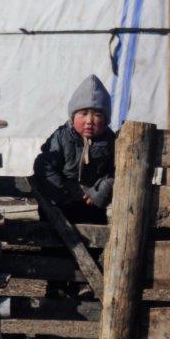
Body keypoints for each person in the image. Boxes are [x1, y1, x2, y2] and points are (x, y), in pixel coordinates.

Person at [34, 74, 116, 225]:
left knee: (93, 243)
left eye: (97, 115)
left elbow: (116, 171)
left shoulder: (111, 141)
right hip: (60, 202)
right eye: (83, 114)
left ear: (106, 120)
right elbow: (43, 165)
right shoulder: (62, 137)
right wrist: (63, 192)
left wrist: (100, 194)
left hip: (91, 202)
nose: (89, 121)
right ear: (73, 116)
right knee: (55, 241)